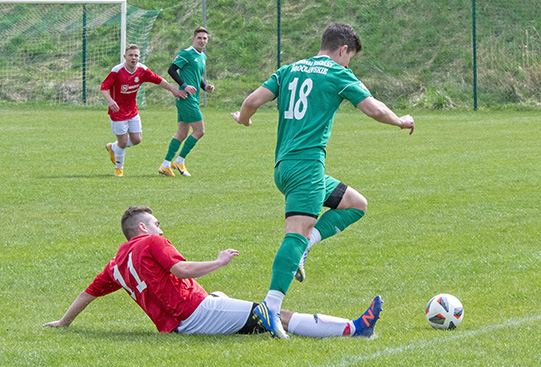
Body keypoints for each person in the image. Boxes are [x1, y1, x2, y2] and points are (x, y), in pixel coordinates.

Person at [231, 22, 413, 339]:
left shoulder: (288, 70)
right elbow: (373, 109)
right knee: (295, 234)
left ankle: (304, 251)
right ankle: (271, 311)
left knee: (356, 205)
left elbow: (251, 102)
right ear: (343, 49)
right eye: (350, 58)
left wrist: (244, 120)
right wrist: (400, 121)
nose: (348, 65)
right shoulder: (336, 73)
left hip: (284, 166)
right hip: (307, 168)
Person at [42, 206, 382, 339]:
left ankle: (261, 323)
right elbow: (181, 268)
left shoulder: (117, 262)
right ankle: (353, 329)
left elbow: (88, 294)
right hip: (194, 314)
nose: (161, 229)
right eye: (157, 223)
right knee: (272, 312)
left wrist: (64, 322)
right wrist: (219, 262)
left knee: (225, 299)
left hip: (183, 320)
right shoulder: (150, 243)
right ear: (143, 227)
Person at [100, 44, 187, 177]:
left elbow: (159, 80)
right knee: (122, 142)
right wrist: (111, 101)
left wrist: (173, 90)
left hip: (132, 110)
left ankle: (113, 147)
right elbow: (104, 88)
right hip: (117, 112)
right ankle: (119, 168)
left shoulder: (142, 70)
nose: (133, 58)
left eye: (136, 55)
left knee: (137, 139)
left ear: (139, 57)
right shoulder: (117, 71)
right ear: (125, 57)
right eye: (130, 55)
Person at [158, 27, 215, 177]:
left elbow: (196, 76)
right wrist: (183, 86)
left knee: (182, 133)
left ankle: (165, 165)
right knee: (200, 131)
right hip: (186, 98)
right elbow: (171, 70)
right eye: (199, 38)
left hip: (191, 98)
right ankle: (180, 160)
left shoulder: (202, 56)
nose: (202, 41)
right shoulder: (186, 53)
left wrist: (205, 87)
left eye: (205, 38)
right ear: (193, 39)